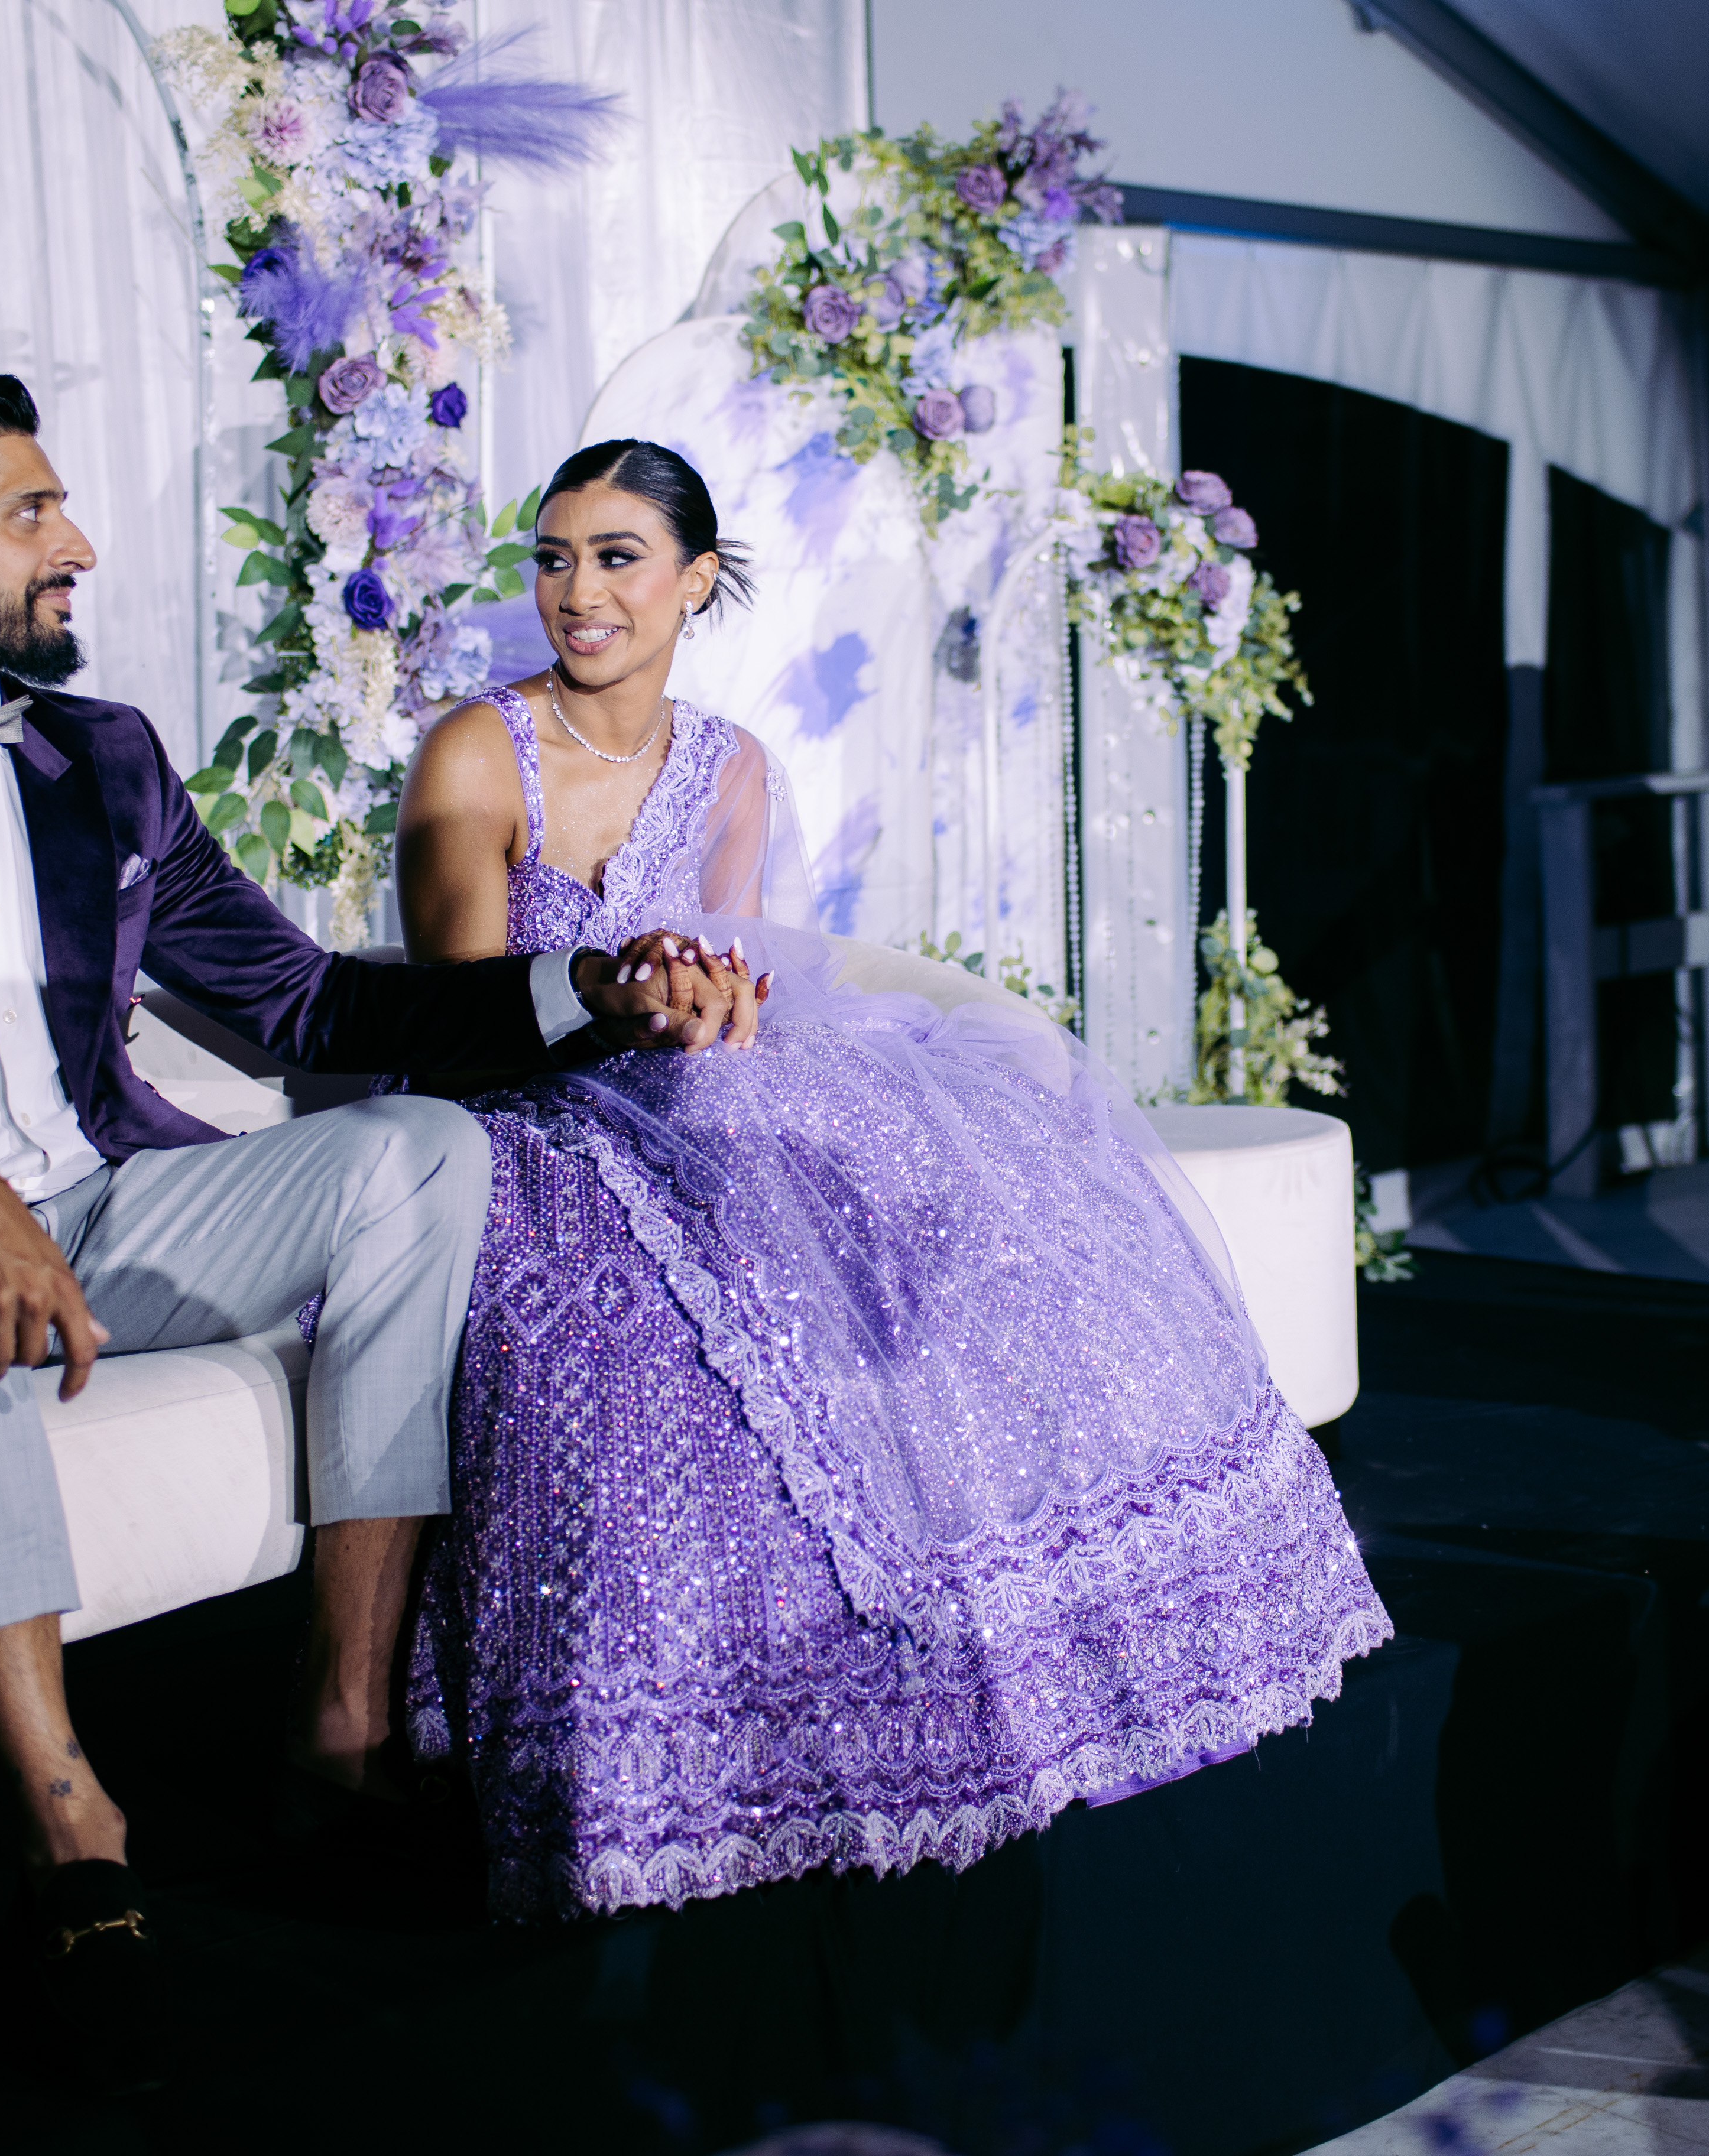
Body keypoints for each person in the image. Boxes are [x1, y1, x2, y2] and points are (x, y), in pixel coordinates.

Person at [0, 369, 723, 2073]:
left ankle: (344, 1727)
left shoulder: (104, 758)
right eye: (32, 513)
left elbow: (303, 1008)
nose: (76, 546)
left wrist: (580, 985)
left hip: (99, 1201)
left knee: (420, 1153)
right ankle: (68, 1819)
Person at [380, 440, 1394, 1918]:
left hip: (679, 1087)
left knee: (942, 1200)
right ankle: (679, 1751)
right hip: (519, 1110)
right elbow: (455, 1013)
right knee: (625, 1319)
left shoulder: (732, 765)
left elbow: (746, 975)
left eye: (617, 557)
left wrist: (713, 1007)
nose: (577, 592)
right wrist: (617, 1001)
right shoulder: (479, 751)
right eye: (554, 558)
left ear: (696, 581)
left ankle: (1016, 1639)